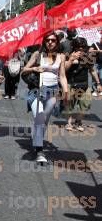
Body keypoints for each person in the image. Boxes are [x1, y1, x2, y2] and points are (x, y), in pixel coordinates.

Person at [22, 31, 69, 163]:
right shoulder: (37, 55)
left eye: (53, 40)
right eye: (47, 40)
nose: (50, 42)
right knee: (40, 117)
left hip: (53, 92)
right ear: (44, 41)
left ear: (57, 42)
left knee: (43, 121)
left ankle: (37, 140)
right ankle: (39, 150)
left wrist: (66, 93)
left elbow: (62, 76)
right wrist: (34, 69)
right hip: (36, 90)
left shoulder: (61, 57)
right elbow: (24, 70)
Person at [64, 37, 102, 131]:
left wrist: (98, 84)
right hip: (70, 83)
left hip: (84, 84)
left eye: (82, 47)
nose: (80, 49)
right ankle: (68, 123)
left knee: (86, 104)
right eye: (78, 47)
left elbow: (92, 70)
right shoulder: (68, 55)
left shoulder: (88, 57)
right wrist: (71, 60)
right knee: (69, 104)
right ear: (74, 46)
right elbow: (63, 70)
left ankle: (78, 121)